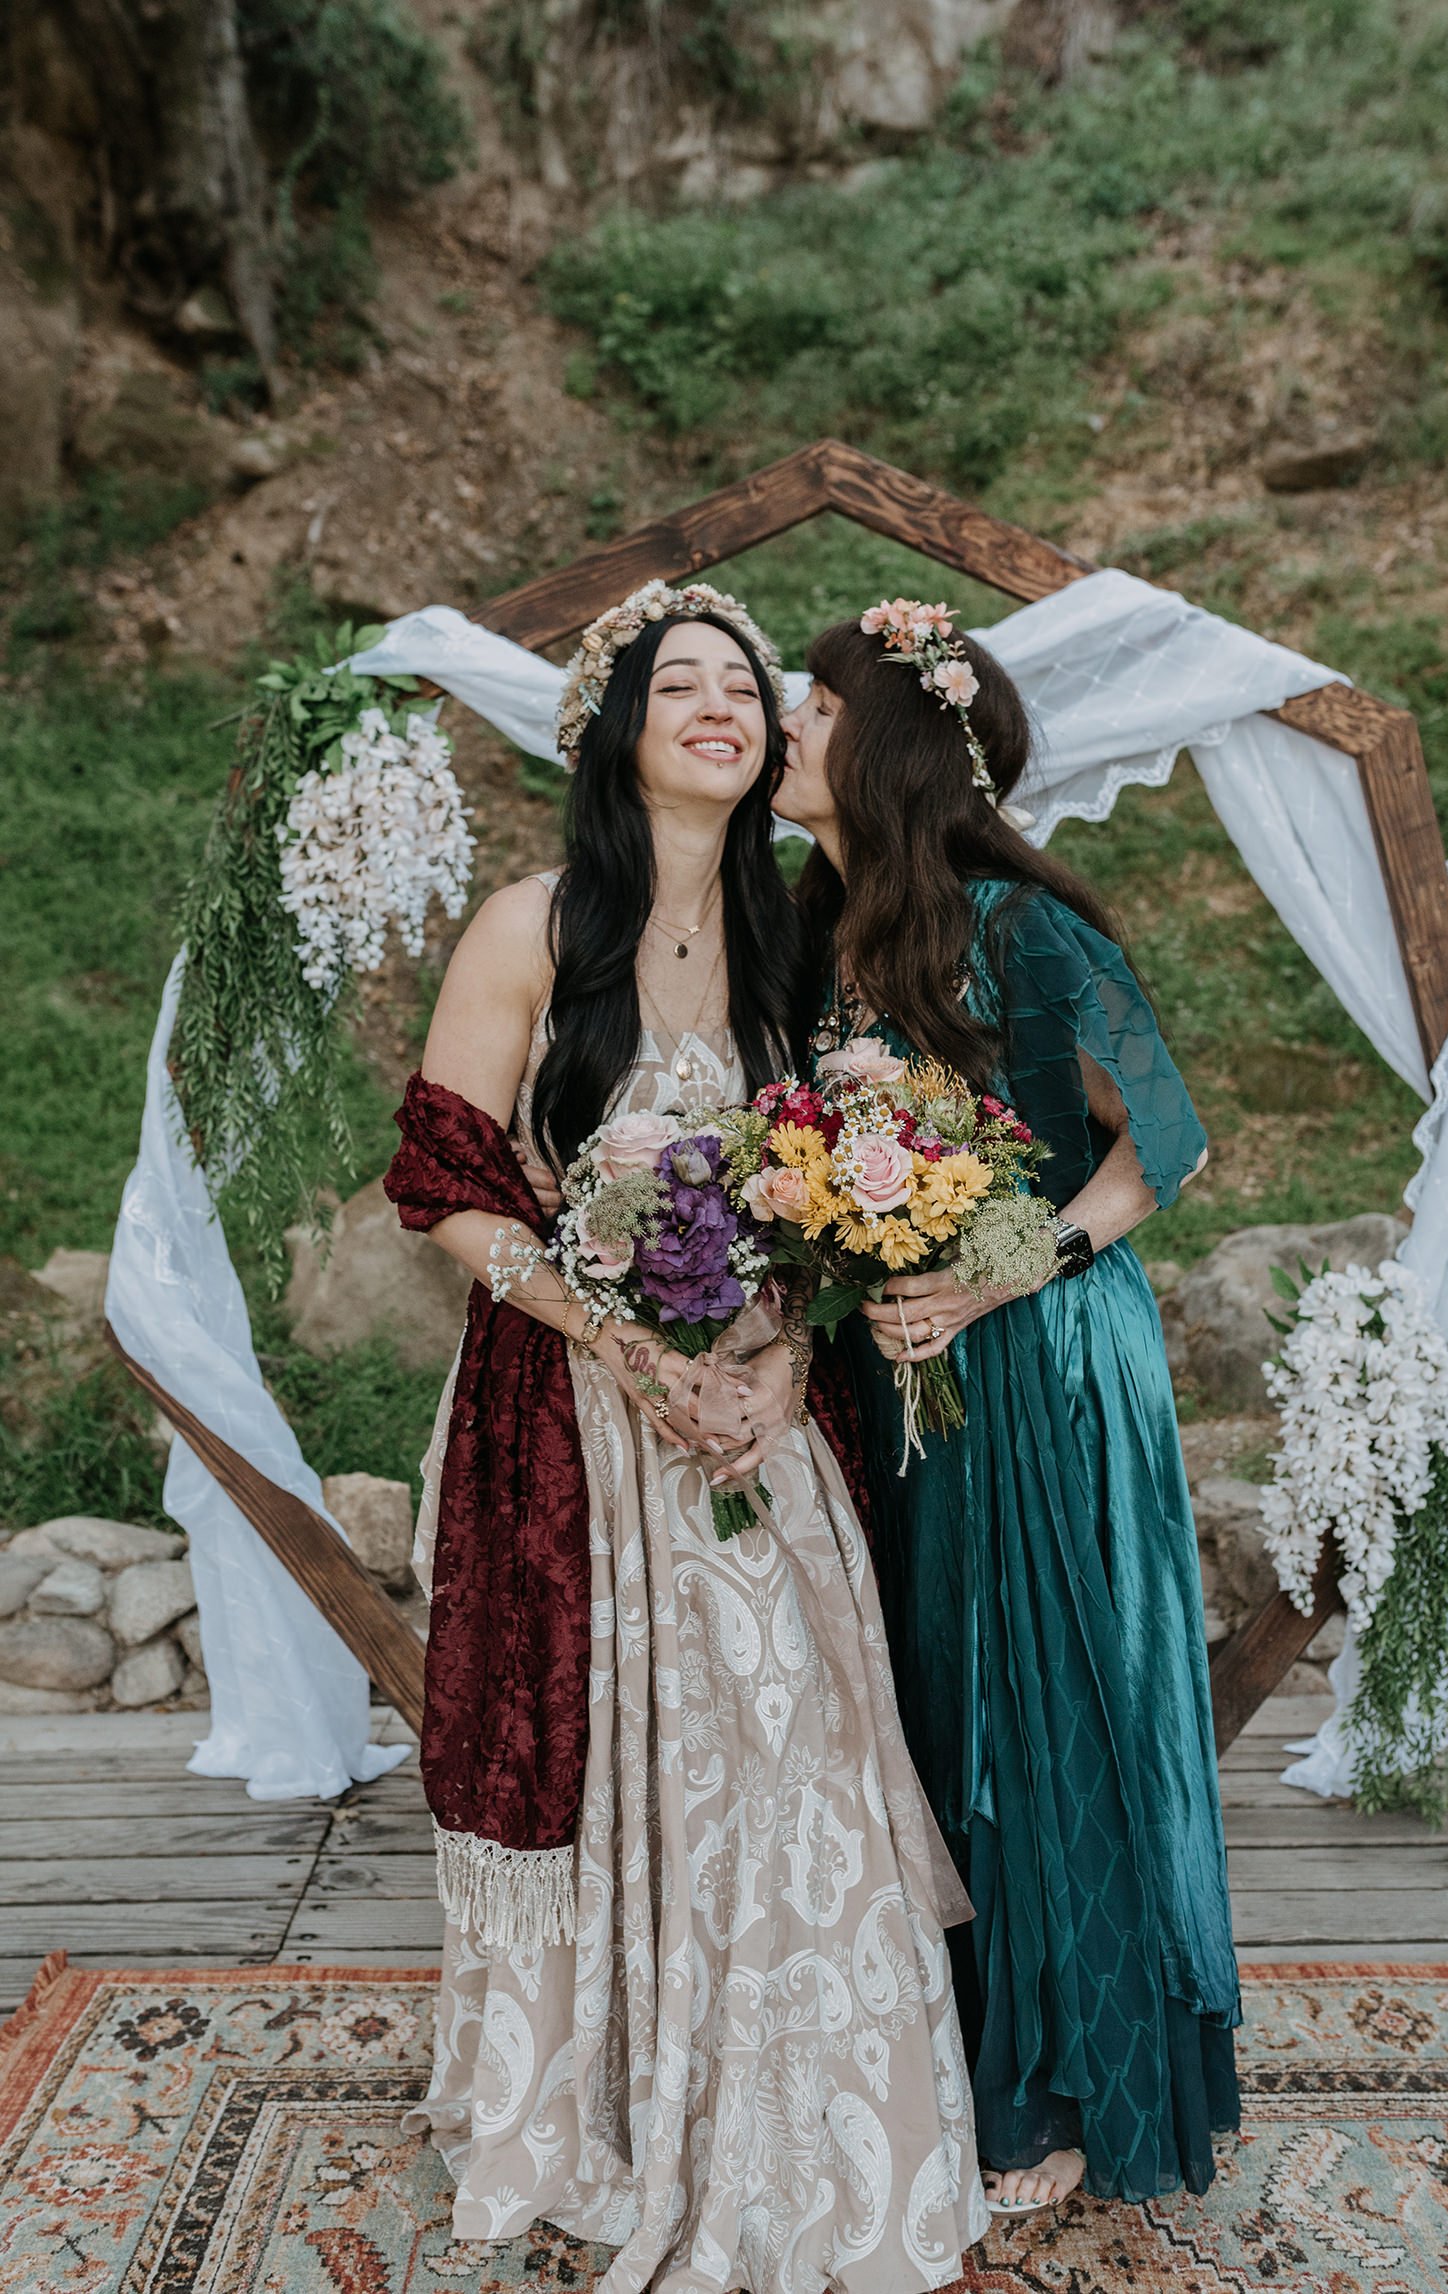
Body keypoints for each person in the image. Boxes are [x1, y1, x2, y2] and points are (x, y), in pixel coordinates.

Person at [384, 580, 988, 2292]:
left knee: (792, 1747)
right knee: (611, 1753)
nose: (725, 707)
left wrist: (787, 1355)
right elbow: (441, 1185)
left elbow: (826, 1202)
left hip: (759, 1414)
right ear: (620, 732)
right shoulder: (530, 925)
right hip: (577, 1413)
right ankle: (613, 2112)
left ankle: (826, 2120)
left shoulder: (802, 937)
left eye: (746, 685)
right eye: (684, 686)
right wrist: (625, 1340)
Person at [773, 601, 1241, 2218]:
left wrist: (999, 1271)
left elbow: (1163, 1141)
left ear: (885, 742)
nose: (783, 718)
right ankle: (951, 2049)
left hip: (1039, 1352)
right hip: (898, 1363)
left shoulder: (1019, 929)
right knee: (934, 1707)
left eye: (812, 702)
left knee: (1040, 1711)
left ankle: (1061, 2084)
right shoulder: (811, 924)